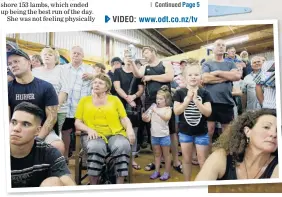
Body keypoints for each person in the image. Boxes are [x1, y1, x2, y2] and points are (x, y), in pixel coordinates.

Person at [74, 73, 135, 185]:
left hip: (115, 133)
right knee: (95, 146)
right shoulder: (85, 100)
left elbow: (124, 118)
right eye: (95, 82)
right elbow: (77, 122)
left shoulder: (115, 99)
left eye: (100, 83)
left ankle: (119, 185)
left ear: (107, 87)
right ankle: (94, 186)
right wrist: (89, 130)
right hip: (93, 134)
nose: (96, 85)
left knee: (122, 145)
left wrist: (130, 129)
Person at [131, 45, 182, 173]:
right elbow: (138, 74)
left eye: (146, 52)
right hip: (150, 101)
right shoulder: (144, 66)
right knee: (153, 132)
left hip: (165, 101)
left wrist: (151, 77)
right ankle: (157, 160)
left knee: (171, 132)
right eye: (143, 54)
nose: (145, 55)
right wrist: (131, 62)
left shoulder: (165, 63)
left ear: (153, 52)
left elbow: (169, 77)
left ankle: (175, 161)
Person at [7, 48, 65, 154]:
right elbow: (5, 118)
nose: (12, 65)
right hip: (15, 130)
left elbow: (52, 117)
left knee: (57, 146)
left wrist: (38, 139)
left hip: (41, 131)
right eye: (10, 63)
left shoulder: (46, 87)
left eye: (16, 61)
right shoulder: (6, 88)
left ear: (29, 62)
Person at [195, 109, 278, 180]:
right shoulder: (221, 157)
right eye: (266, 127)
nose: (274, 134)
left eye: (278, 130)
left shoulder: (278, 167)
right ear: (247, 131)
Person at [10, 102, 75, 188]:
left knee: (53, 182)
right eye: (14, 122)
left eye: (25, 124)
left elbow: (68, 183)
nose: (16, 129)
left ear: (37, 131)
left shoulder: (49, 152)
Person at [173, 63, 212, 181]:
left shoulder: (205, 93)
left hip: (201, 133)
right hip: (185, 133)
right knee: (186, 160)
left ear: (200, 77)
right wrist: (187, 100)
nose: (193, 77)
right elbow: (177, 111)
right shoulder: (179, 93)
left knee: (202, 160)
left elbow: (208, 112)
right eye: (190, 75)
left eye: (196, 74)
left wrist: (196, 100)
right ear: (185, 78)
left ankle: (204, 184)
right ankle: (187, 184)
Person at [202, 39, 242, 149]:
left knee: (227, 132)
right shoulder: (207, 63)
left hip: (226, 101)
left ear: (225, 49)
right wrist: (226, 77)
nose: (221, 47)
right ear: (213, 49)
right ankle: (207, 154)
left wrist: (218, 73)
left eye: (223, 45)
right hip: (210, 102)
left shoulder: (230, 63)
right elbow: (205, 79)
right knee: (209, 130)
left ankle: (225, 155)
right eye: (218, 45)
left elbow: (237, 76)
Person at [61, 46, 95, 162]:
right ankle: (65, 156)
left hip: (83, 108)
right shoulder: (63, 68)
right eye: (74, 53)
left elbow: (103, 79)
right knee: (65, 132)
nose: (76, 55)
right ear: (70, 54)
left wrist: (93, 76)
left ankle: (85, 157)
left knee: (85, 132)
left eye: (78, 53)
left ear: (83, 56)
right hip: (67, 106)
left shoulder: (89, 69)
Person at [113, 50, 144, 170]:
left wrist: (134, 97)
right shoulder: (118, 71)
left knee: (133, 132)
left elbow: (141, 89)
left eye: (130, 56)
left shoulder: (137, 73)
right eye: (126, 56)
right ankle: (120, 158)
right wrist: (127, 98)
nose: (127, 58)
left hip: (134, 106)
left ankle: (132, 159)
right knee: (120, 131)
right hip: (120, 104)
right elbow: (117, 87)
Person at [32, 47, 69, 138]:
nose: (47, 56)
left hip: (58, 109)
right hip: (38, 109)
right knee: (36, 133)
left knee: (53, 135)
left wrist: (55, 106)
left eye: (50, 55)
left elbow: (65, 89)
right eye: (45, 54)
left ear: (56, 58)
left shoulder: (61, 69)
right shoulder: (35, 71)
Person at [142, 85, 172, 181]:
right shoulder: (153, 107)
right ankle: (157, 171)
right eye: (157, 98)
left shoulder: (168, 109)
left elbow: (166, 118)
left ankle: (167, 172)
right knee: (157, 154)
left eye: (160, 99)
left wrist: (156, 111)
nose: (158, 100)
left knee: (166, 155)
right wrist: (145, 117)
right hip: (154, 135)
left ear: (166, 100)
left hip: (164, 136)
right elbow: (147, 118)